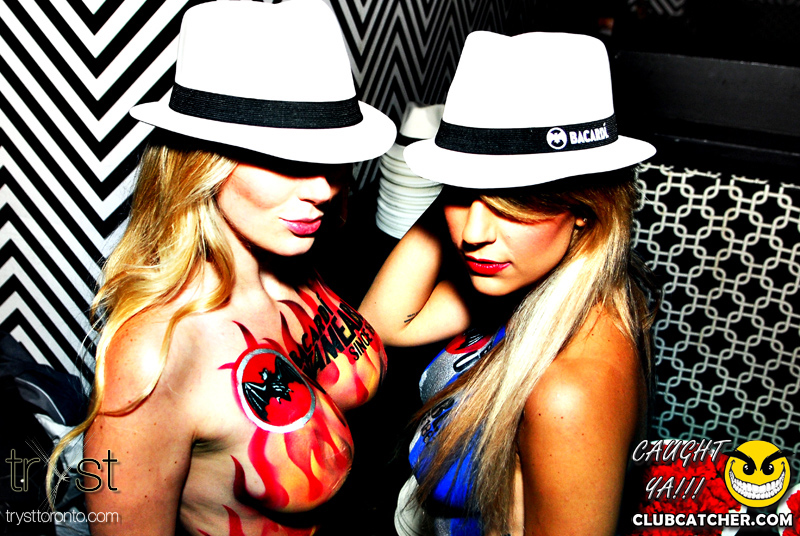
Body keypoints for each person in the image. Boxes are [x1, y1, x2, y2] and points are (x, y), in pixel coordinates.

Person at [48, 1, 395, 534]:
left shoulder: (296, 251)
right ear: (201, 162)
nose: (324, 189)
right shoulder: (157, 356)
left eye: (329, 156)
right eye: (286, 159)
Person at [359, 31, 659, 536]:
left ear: (586, 208)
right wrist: (466, 173)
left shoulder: (569, 391)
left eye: (513, 199)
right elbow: (383, 324)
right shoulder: (538, 282)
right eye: (460, 192)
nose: (472, 234)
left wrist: (472, 179)